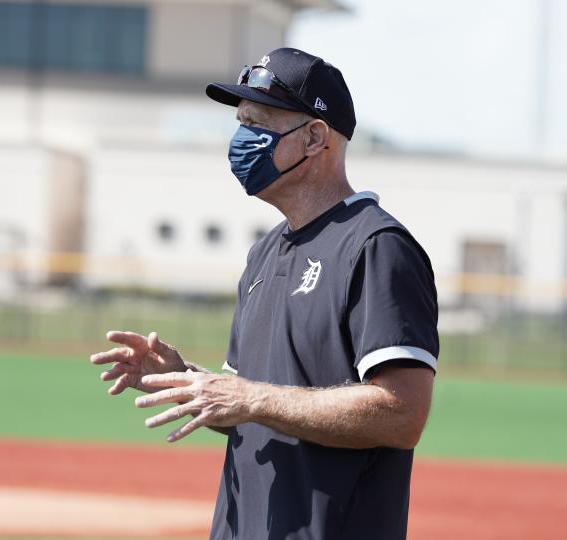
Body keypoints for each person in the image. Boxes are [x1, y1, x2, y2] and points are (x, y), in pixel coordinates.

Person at [89, 47, 439, 540]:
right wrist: (189, 382)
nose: (240, 140)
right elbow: (251, 410)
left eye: (258, 123)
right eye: (240, 121)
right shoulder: (265, 252)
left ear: (315, 137)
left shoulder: (376, 246)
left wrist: (251, 398)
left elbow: (402, 414)